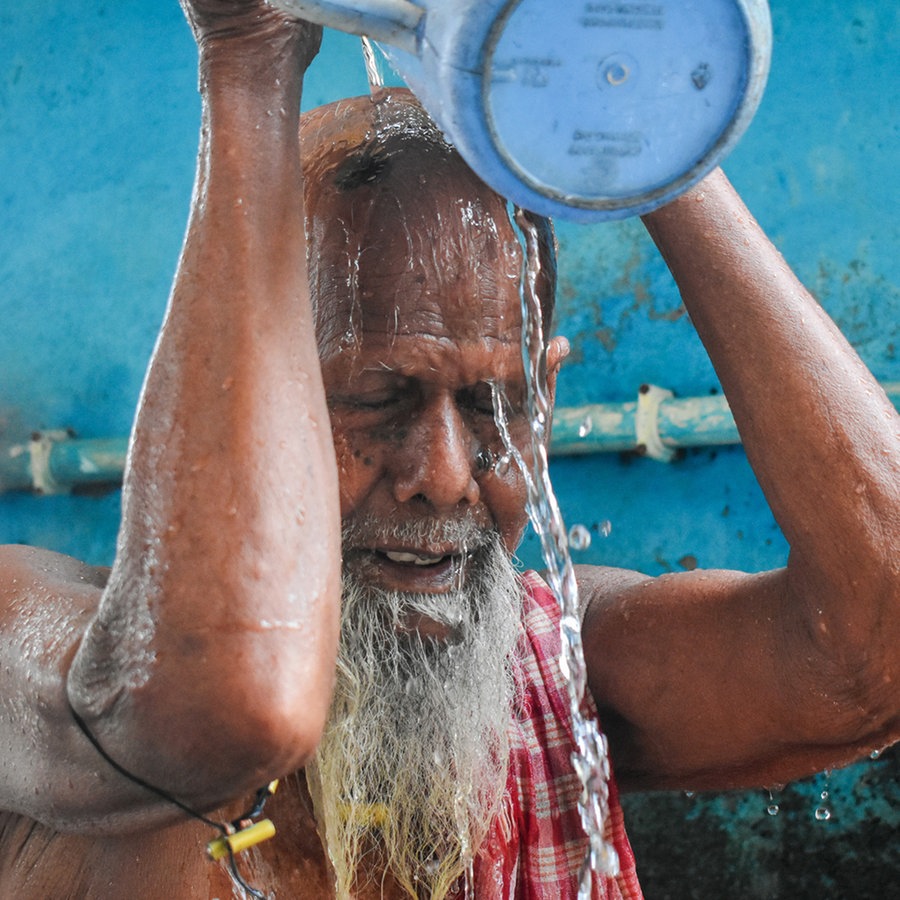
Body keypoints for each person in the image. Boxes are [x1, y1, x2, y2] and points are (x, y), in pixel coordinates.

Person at [1, 1, 898, 897]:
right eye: (375, 402)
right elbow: (220, 710)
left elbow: (876, 647)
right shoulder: (39, 648)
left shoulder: (559, 671)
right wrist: (247, 56)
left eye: (492, 408)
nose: (443, 475)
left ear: (544, 402)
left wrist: (637, 125)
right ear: (255, 412)